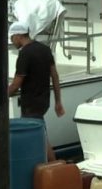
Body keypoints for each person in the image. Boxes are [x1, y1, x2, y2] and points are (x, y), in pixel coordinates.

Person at [7, 21, 65, 161]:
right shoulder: (45, 49)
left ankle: (55, 169)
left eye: (11, 37)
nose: (11, 41)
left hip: (30, 104)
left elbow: (16, 84)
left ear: (19, 35)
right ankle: (50, 167)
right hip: (43, 102)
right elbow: (55, 76)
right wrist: (58, 102)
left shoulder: (24, 54)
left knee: (40, 139)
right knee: (38, 137)